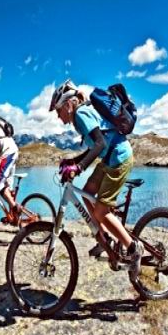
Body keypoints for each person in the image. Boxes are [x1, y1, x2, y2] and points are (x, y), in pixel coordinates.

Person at [49, 80, 143, 275]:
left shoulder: (81, 114)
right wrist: (73, 160)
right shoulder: (79, 116)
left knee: (101, 210)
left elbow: (99, 144)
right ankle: (104, 238)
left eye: (58, 111)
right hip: (109, 159)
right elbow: (95, 146)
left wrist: (79, 167)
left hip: (119, 159)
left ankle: (134, 249)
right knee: (87, 194)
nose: (59, 117)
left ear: (68, 104)